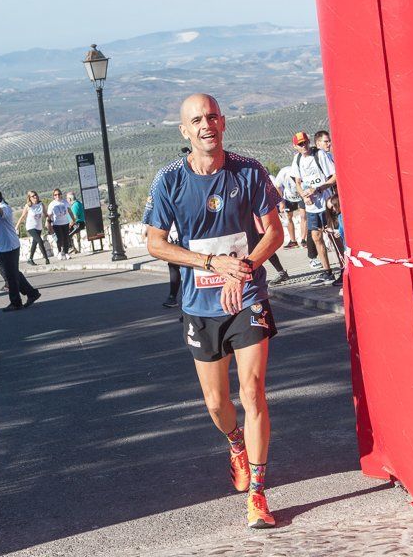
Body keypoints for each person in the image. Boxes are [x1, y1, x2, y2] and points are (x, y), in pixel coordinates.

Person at [145, 93, 283, 529]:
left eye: (212, 117)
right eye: (196, 120)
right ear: (184, 131)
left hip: (246, 295)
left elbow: (274, 232)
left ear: (223, 122)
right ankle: (235, 443)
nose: (207, 125)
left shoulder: (249, 171)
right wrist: (210, 264)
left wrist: (242, 269)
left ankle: (258, 494)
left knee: (253, 389)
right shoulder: (169, 180)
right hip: (200, 304)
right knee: (215, 401)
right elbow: (155, 243)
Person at [0, 185, 41, 311]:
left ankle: (16, 302)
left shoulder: (4, 208)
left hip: (10, 246)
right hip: (1, 246)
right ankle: (32, 293)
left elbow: (1, 213)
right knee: (14, 273)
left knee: (11, 276)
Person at [292, 131, 338, 286]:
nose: (304, 146)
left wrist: (318, 189)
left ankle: (344, 268)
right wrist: (303, 196)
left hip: (326, 202)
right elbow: (298, 182)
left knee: (334, 236)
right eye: (300, 144)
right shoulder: (297, 159)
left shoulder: (320, 156)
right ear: (295, 146)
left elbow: (334, 176)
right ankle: (327, 272)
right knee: (317, 237)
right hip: (311, 206)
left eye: (305, 142)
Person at [272, 165, 306, 250]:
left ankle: (303, 240)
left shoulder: (301, 170)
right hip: (288, 196)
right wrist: (281, 202)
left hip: (302, 194)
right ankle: (293, 241)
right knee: (289, 218)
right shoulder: (284, 172)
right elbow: (277, 186)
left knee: (303, 216)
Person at [16, 190, 51, 265]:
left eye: (35, 195)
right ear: (29, 198)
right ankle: (46, 259)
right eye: (32, 196)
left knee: (34, 243)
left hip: (39, 227)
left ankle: (30, 259)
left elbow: (45, 214)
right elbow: (22, 216)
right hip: (30, 227)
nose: (35, 196)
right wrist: (16, 227)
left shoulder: (41, 204)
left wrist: (49, 220)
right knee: (40, 241)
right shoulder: (28, 206)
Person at [47, 188, 76, 259]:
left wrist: (73, 220)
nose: (57, 196)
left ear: (61, 195)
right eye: (55, 195)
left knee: (66, 238)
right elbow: (49, 216)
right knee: (59, 239)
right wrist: (48, 225)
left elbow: (70, 211)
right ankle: (60, 252)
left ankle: (66, 253)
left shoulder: (65, 202)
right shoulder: (52, 204)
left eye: (59, 194)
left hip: (65, 223)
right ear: (53, 196)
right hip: (56, 224)